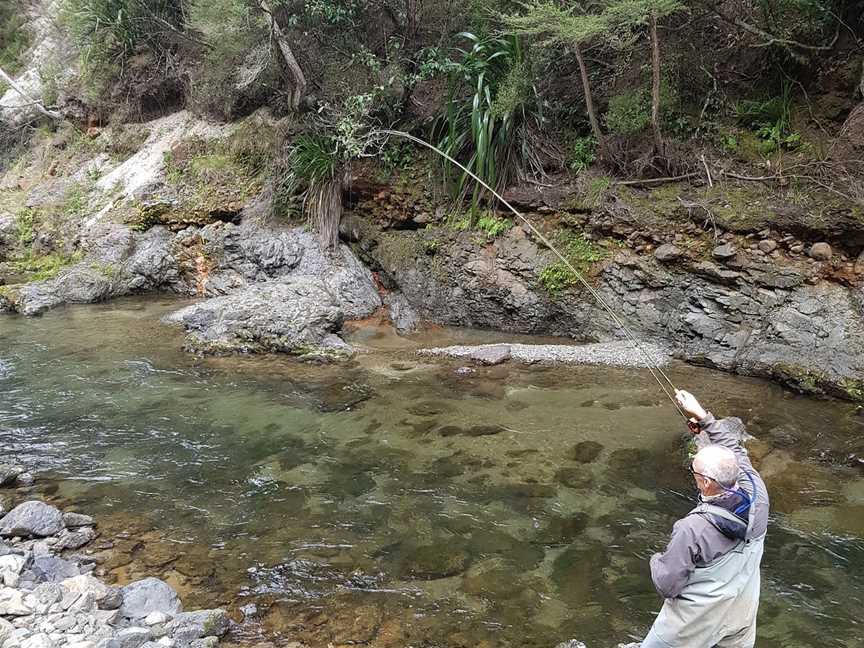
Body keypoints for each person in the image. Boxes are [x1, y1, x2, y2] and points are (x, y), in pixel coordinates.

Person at [640, 390, 770, 648]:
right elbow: (734, 449)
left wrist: (655, 560)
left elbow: (668, 585)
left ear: (706, 483)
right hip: (740, 614)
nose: (693, 472)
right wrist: (702, 418)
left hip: (692, 626)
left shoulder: (693, 528)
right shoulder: (759, 497)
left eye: (694, 469)